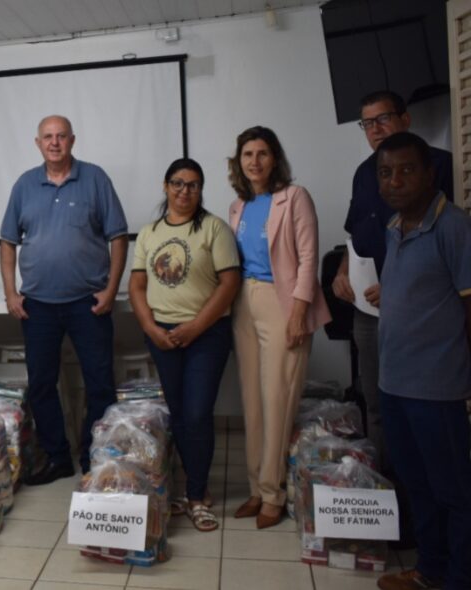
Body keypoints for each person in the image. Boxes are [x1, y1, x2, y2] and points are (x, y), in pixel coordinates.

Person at [0, 115, 129, 484]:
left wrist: (111, 289)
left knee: (99, 381)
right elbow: (7, 241)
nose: (54, 142)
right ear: (38, 143)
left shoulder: (95, 178)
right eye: (48, 137)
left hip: (88, 303)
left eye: (61, 136)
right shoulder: (25, 185)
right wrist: (11, 292)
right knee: (42, 384)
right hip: (38, 305)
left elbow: (118, 237)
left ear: (72, 140)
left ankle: (95, 456)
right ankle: (57, 458)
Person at [331, 90, 453, 465]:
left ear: (405, 119)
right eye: (367, 123)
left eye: (383, 119)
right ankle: (389, 482)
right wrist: (342, 269)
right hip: (368, 310)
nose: (375, 129)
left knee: (425, 406)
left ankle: (425, 487)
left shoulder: (441, 165)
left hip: (420, 313)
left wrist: (397, 286)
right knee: (377, 401)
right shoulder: (363, 174)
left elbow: (443, 241)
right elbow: (357, 233)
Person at [371, 132, 471, 590]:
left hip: (436, 388)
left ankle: (458, 578)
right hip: (393, 383)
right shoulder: (394, 227)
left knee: (453, 491)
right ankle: (429, 571)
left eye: (406, 170)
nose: (394, 181)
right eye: (385, 172)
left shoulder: (453, 226)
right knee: (417, 484)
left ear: (430, 173)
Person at [227, 126, 332, 528]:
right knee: (252, 401)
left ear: (275, 159)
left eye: (262, 153)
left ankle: (274, 493)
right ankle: (257, 488)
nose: (254, 161)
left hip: (282, 302)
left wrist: (298, 313)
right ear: (239, 162)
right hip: (244, 302)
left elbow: (308, 258)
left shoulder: (295, 197)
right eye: (247, 154)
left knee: (277, 400)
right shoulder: (238, 205)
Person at [128, 158, 241, 532]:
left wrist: (194, 327)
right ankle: (185, 488)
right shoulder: (149, 233)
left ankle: (197, 496)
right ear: (165, 186)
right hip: (162, 335)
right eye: (177, 183)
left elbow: (229, 283)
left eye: (193, 185)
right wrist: (150, 328)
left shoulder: (214, 228)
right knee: (177, 413)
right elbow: (137, 285)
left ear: (200, 190)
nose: (184, 190)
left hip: (206, 334)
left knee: (197, 414)